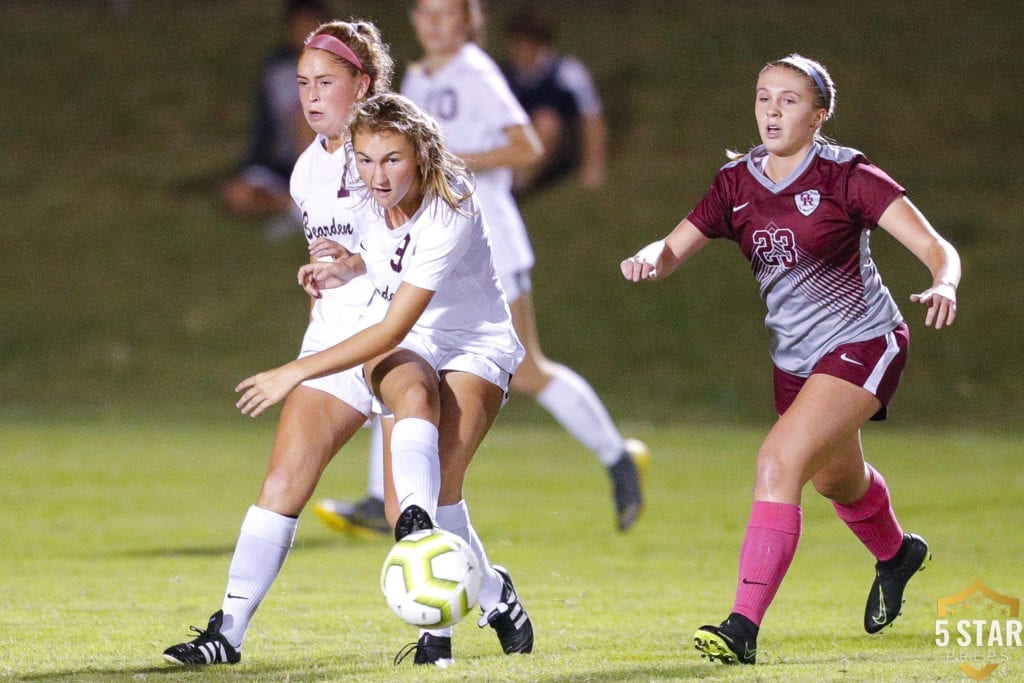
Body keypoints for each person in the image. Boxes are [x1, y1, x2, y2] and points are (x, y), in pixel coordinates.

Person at [621, 54, 960, 666]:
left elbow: (937, 248)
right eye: (763, 97)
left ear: (818, 115)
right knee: (837, 480)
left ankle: (741, 628)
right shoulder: (737, 183)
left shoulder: (848, 177)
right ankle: (897, 553)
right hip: (796, 361)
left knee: (778, 460)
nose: (772, 111)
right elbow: (672, 247)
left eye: (789, 100)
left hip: (865, 341)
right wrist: (650, 257)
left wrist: (945, 283)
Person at [314, 0, 648, 538]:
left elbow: (526, 147)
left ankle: (618, 459)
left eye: (448, 14)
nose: (435, 25)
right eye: (425, 14)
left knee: (527, 369)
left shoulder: (475, 71)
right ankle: (384, 497)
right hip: (429, 241)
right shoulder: (418, 78)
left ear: (468, 21)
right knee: (398, 350)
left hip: (487, 242)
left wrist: (443, 159)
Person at [236, 92, 534, 666]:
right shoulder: (364, 192)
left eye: (392, 160)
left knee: (442, 485)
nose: (377, 174)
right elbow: (383, 259)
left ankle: (490, 591)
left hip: (473, 342)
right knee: (418, 455)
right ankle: (438, 636)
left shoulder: (451, 204)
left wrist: (293, 372)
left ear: (420, 155)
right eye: (366, 159)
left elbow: (394, 324)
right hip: (414, 338)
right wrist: (346, 264)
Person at [162, 19, 395, 666]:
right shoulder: (305, 171)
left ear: (363, 84)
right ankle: (227, 630)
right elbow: (333, 257)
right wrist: (325, 276)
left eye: (326, 83)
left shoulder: (394, 154)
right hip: (335, 342)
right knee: (283, 482)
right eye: (302, 84)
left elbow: (420, 260)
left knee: (419, 509)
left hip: (405, 341)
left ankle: (486, 601)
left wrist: (356, 266)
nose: (310, 97)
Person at [221, 0, 327, 241]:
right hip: (280, 164)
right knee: (237, 195)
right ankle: (297, 210)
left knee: (307, 117)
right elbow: (264, 125)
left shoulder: (340, 67)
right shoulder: (277, 68)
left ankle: (310, 205)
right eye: (301, 27)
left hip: (322, 163)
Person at [499, 2, 609, 196]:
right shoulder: (502, 74)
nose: (518, 51)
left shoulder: (566, 72)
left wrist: (593, 166)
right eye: (515, 43)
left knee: (546, 122)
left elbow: (591, 120)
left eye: (525, 44)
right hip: (516, 140)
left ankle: (513, 188)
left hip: (554, 145)